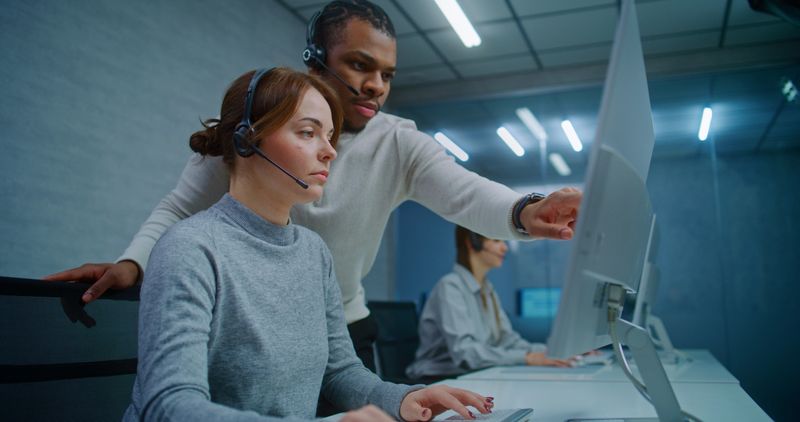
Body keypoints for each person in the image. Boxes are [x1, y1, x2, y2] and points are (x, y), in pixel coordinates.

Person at [45, 0, 581, 373]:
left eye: (388, 74)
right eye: (360, 65)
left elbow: (467, 193)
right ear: (317, 60)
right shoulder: (259, 128)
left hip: (344, 325)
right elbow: (181, 208)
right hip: (256, 330)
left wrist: (528, 209)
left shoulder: (398, 143)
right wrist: (134, 261)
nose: (376, 85)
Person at [123, 67, 493, 421]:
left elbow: (340, 371)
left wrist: (403, 398)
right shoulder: (190, 248)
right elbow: (169, 406)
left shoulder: (313, 253)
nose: (330, 151)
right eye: (307, 132)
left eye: (329, 136)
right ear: (247, 140)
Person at [406, 226, 572, 381]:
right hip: (436, 379)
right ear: (472, 243)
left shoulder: (487, 289)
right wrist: (526, 358)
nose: (505, 247)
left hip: (472, 374)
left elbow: (507, 340)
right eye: (496, 240)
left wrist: (552, 352)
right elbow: (466, 353)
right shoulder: (450, 287)